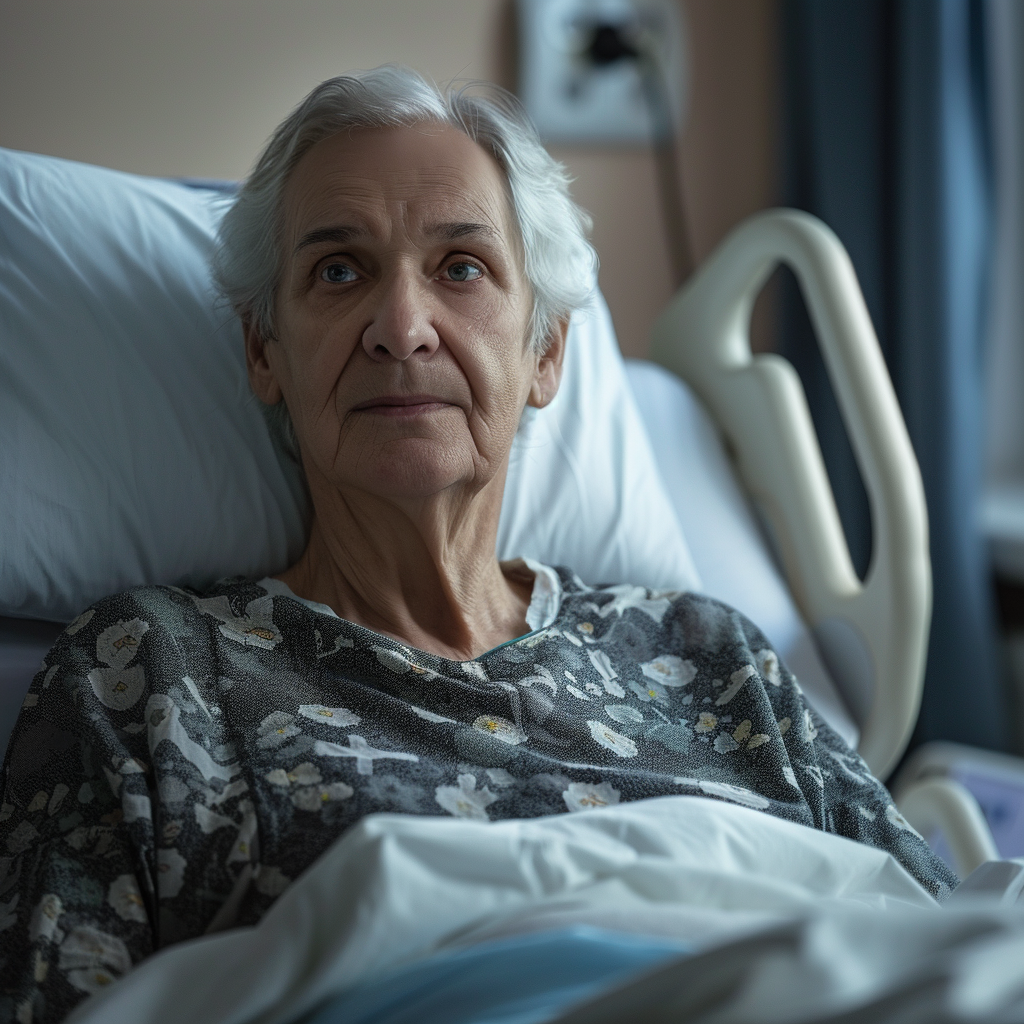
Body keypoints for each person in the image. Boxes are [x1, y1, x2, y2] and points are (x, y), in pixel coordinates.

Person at [0, 65, 956, 1023]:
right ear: (263, 352)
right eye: (339, 271)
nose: (402, 328)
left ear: (545, 353)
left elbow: (938, 930)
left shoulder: (710, 654)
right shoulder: (152, 673)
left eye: (461, 267)